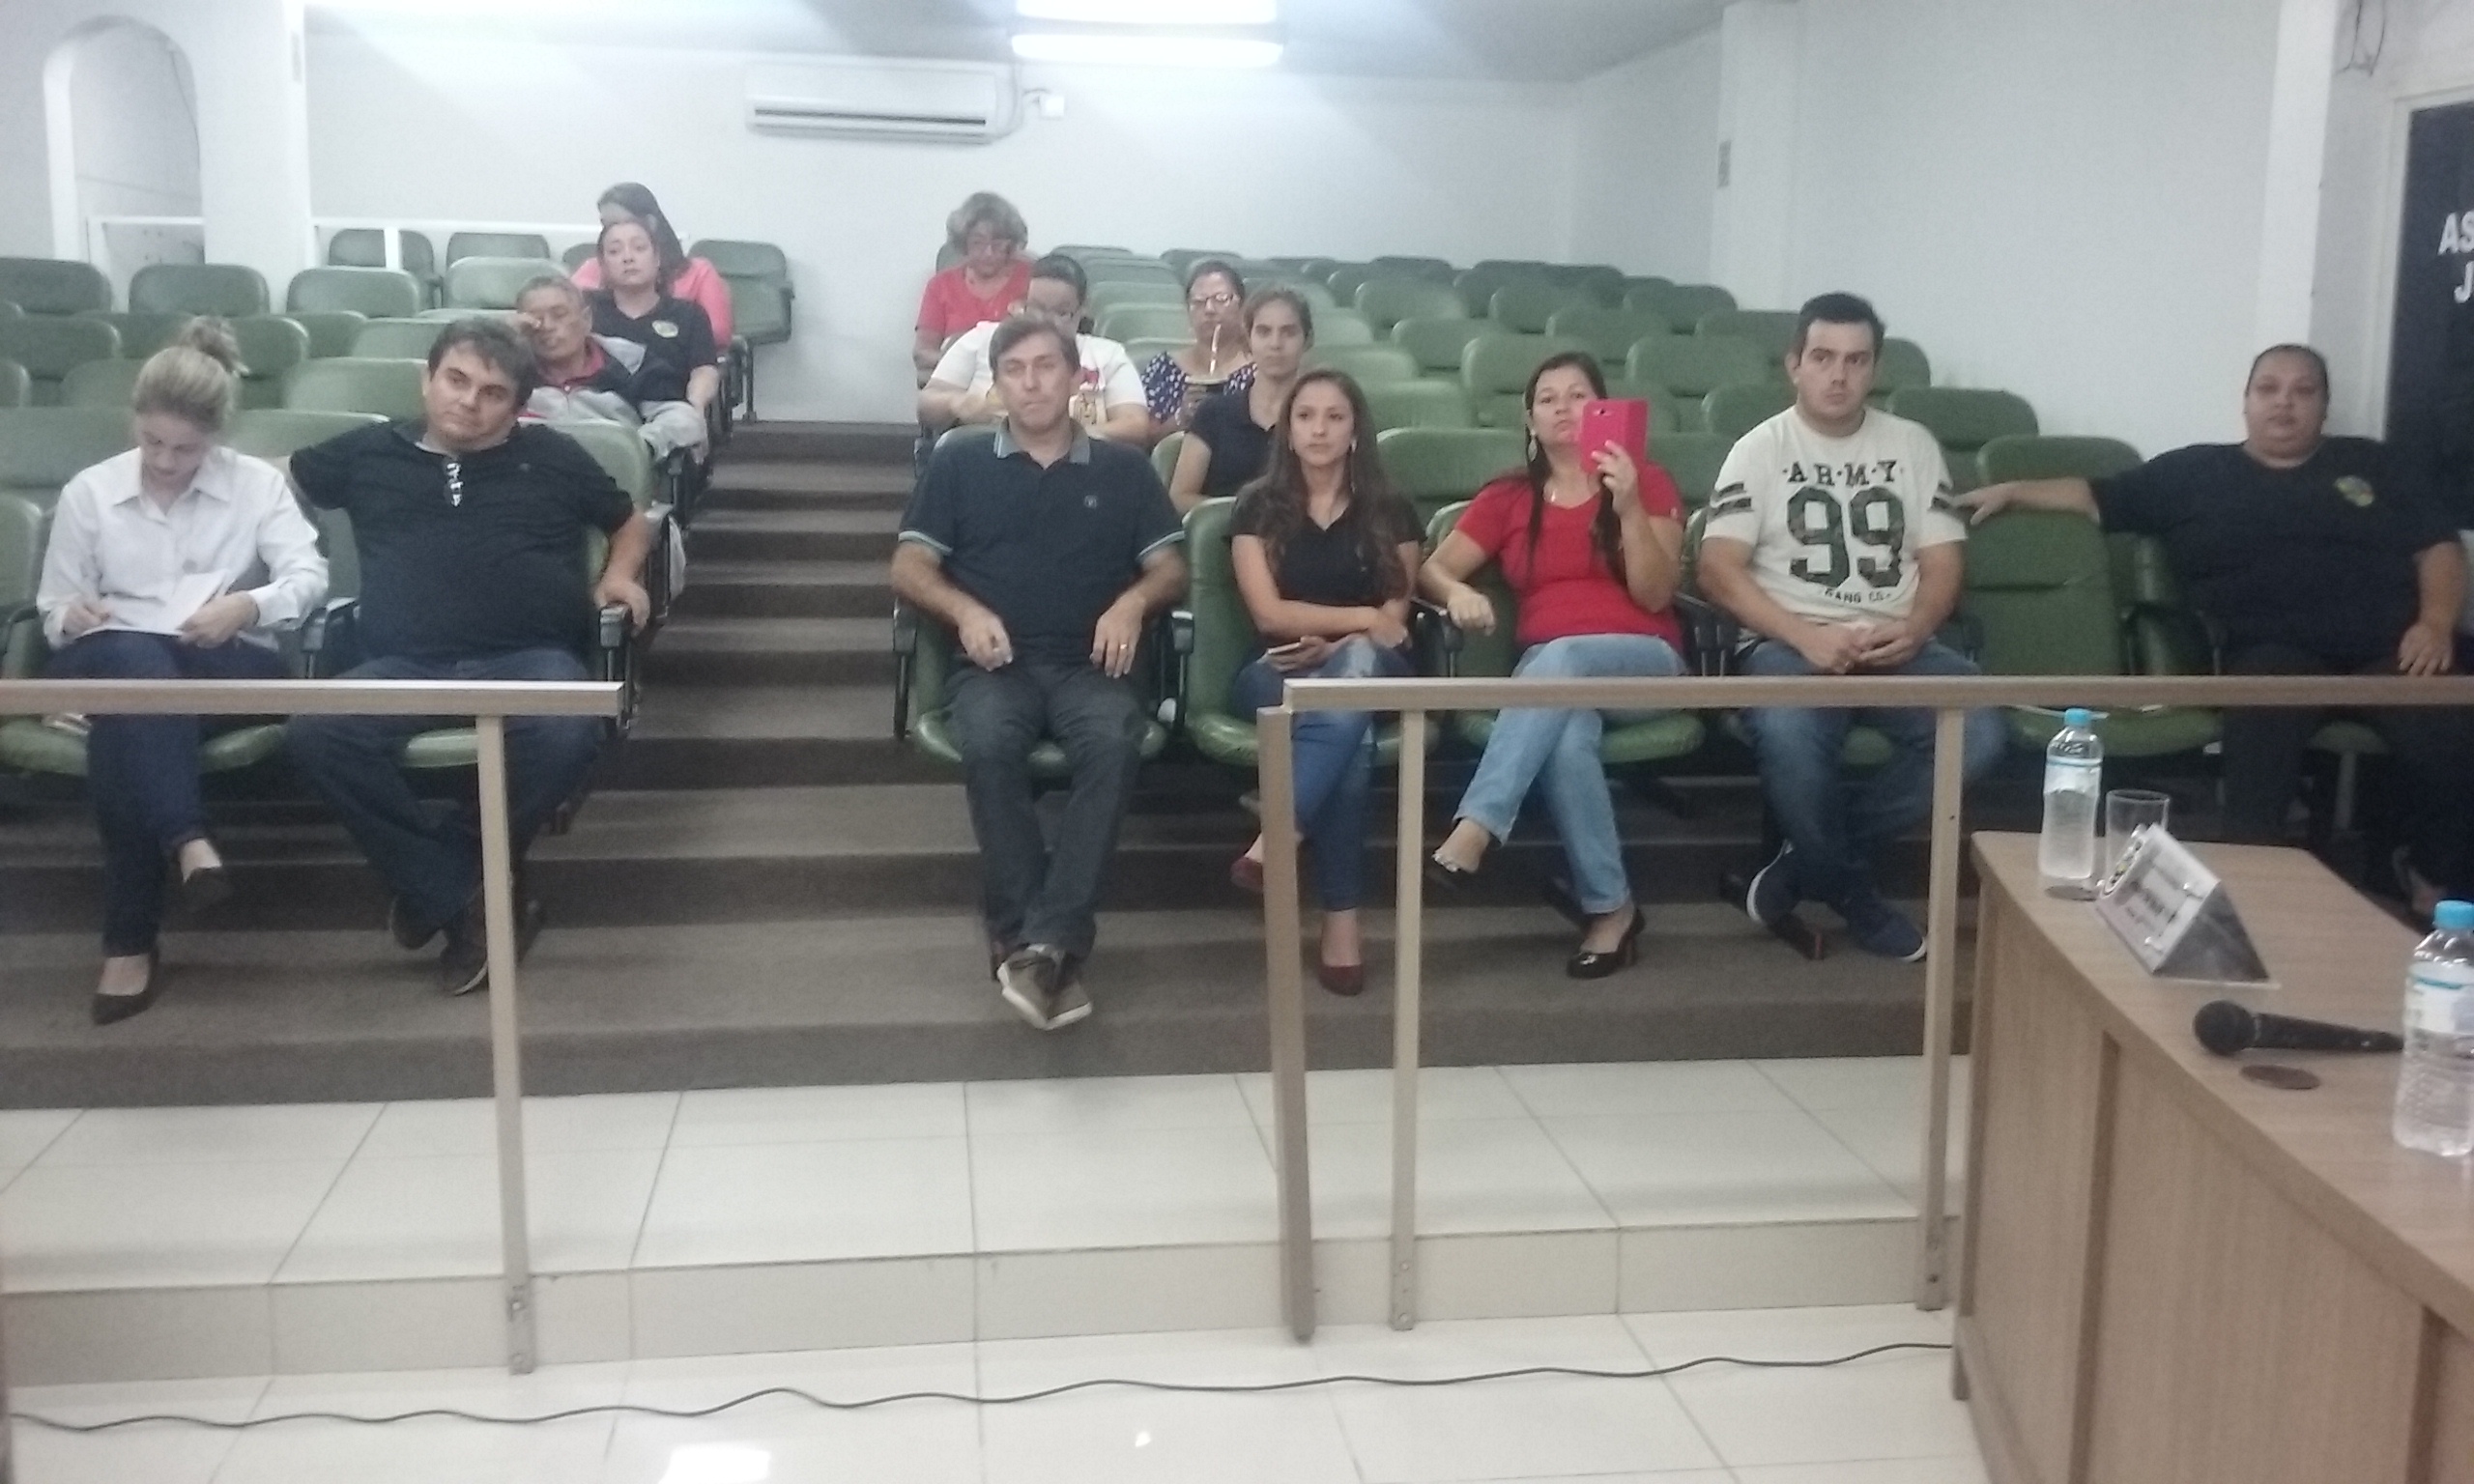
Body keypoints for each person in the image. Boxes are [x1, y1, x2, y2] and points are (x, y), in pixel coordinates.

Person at [1964, 343, 2474, 917]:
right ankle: (2251, 885)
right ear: (2246, 401)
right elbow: (2095, 495)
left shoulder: (2373, 463)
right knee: (2261, 723)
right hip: (2274, 653)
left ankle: (2438, 880)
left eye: (2303, 391)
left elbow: (2439, 546)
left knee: (2452, 730)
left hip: (2393, 649)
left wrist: (2436, 623)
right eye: (2269, 389)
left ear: (2324, 406)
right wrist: (2012, 489)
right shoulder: (2195, 473)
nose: (2284, 403)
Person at [285, 320, 655, 996]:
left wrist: (619, 575)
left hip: (529, 659)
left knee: (569, 732)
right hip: (402, 664)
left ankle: (439, 877)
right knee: (315, 732)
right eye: (456, 380)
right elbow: (272, 482)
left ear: (516, 407)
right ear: (427, 379)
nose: (468, 401)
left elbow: (628, 520)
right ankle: (460, 892)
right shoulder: (368, 452)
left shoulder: (552, 455)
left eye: (492, 393)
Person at [892, 316, 1188, 1033]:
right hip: (994, 665)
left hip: (1093, 666)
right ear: (996, 383)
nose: (1031, 383)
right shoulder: (959, 462)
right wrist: (964, 611)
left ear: (1077, 377)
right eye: (1015, 370)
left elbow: (1171, 569)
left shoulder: (1125, 469)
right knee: (990, 743)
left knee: (1113, 743)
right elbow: (908, 567)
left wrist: (1132, 604)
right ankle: (1046, 940)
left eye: (1046, 367)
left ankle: (1035, 941)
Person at [1697, 293, 2006, 961]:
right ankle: (1853, 891)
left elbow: (1943, 563)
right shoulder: (1760, 449)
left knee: (1980, 730)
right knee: (1789, 736)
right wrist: (1804, 635)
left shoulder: (1912, 445)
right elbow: (1717, 569)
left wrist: (1917, 627)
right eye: (1823, 357)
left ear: (1875, 369)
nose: (1838, 375)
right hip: (1789, 643)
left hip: (1898, 642)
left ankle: (1808, 861)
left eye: (1856, 360)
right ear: (1794, 364)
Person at [34, 319, 327, 1024]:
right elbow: (51, 607)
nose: (165, 462)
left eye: (186, 449)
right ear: (134, 423)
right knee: (135, 665)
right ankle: (186, 840)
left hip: (223, 659)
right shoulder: (90, 491)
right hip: (113, 651)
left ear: (217, 437)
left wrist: (248, 605)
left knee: (127, 715)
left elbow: (309, 576)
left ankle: (131, 943)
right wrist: (72, 615)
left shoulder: (256, 485)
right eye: (152, 442)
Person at [1417, 352, 1688, 978]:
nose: (1563, 407)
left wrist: (1627, 508)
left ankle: (1478, 823)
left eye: (1578, 395)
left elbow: (1655, 595)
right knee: (1566, 740)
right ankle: (1612, 908)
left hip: (1645, 663)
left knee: (1564, 653)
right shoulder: (1509, 497)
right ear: (1530, 419)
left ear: (1603, 408)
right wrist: (1456, 593)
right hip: (1555, 684)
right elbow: (1434, 568)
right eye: (1548, 398)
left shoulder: (1646, 481)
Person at [1223, 371, 1424, 994]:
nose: (1319, 430)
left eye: (1334, 417)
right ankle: (1342, 923)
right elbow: (1269, 615)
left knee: (1353, 674)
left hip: (1373, 669)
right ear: (1287, 430)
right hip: (1277, 668)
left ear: (1355, 429)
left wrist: (1341, 645)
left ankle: (1281, 832)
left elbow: (1395, 622)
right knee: (1350, 736)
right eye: (1305, 416)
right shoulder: (1256, 505)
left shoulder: (1391, 510)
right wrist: (1358, 622)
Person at [917, 255, 1147, 445]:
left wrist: (1060, 438)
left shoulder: (1107, 354)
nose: (1047, 321)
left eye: (1062, 313)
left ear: (1082, 310)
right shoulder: (982, 338)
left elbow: (1135, 424)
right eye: (1036, 308)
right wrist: (956, 403)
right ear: (1020, 304)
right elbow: (927, 402)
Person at [515, 274, 705, 460]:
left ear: (586, 319)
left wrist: (639, 448)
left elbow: (682, 417)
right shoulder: (512, 371)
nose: (547, 326)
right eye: (535, 319)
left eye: (559, 315)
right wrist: (506, 337)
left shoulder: (631, 361)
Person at [1170, 288, 1310, 512]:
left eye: (1289, 332)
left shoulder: (1322, 419)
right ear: (1248, 340)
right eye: (1263, 332)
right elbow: (1180, 497)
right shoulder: (1213, 412)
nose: (1275, 343)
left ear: (1306, 339)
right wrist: (1246, 516)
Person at [589, 220, 720, 454]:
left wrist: (696, 404)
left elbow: (704, 369)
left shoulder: (688, 314)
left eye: (639, 248)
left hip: (662, 413)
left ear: (657, 258)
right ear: (603, 265)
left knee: (684, 422)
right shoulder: (585, 311)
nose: (628, 258)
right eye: (615, 251)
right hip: (600, 412)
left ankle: (638, 453)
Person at [567, 183, 734, 352]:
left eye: (619, 222)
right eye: (606, 225)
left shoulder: (699, 272)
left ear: (650, 223)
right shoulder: (593, 268)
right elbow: (567, 316)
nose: (613, 231)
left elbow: (718, 334)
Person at [913, 192, 1031, 380]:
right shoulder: (940, 285)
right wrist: (959, 361)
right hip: (958, 382)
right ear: (963, 244)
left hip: (1018, 379)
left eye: (998, 243)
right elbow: (922, 354)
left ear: (1012, 244)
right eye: (978, 243)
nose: (988, 252)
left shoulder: (1033, 278)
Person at [1140, 259, 1256, 438]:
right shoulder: (1163, 367)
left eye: (1221, 299)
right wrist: (1181, 417)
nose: (1209, 309)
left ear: (1242, 306)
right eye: (1199, 301)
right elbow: (1144, 439)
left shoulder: (1259, 373)